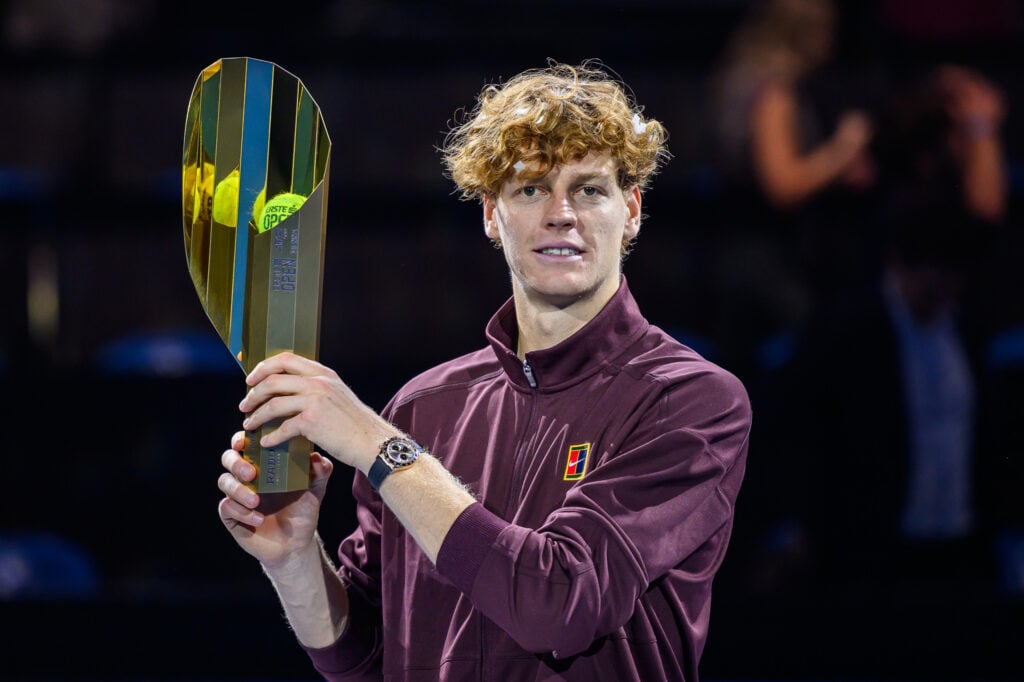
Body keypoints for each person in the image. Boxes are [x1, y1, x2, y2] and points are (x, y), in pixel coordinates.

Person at [216, 60, 752, 681]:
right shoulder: (424, 407)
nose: (561, 213)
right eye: (530, 189)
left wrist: (378, 447)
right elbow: (362, 660)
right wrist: (295, 562)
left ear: (630, 210)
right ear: (491, 215)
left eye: (589, 189)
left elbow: (560, 603)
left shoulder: (690, 401)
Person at [707, 0, 877, 378]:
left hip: (741, 253)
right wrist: (842, 150)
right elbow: (782, 184)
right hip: (765, 264)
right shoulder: (773, 94)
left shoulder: (744, 81)